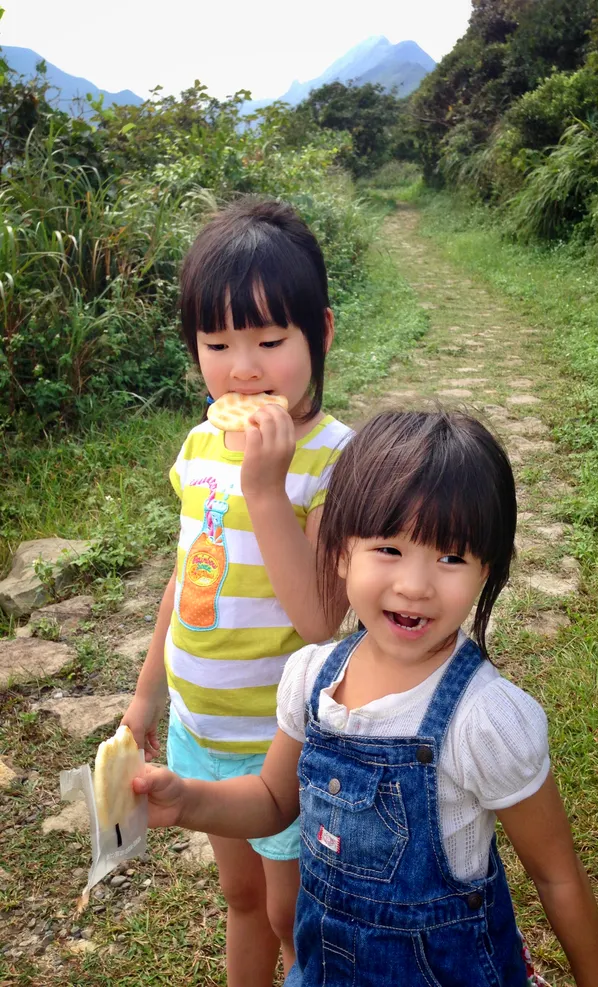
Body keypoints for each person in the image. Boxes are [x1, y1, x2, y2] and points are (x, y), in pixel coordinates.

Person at [134, 410, 598, 987]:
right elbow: (271, 801)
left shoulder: (485, 718)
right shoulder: (310, 678)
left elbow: (556, 875)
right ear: (339, 553)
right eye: (388, 548)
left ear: (487, 571)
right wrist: (186, 800)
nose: (415, 584)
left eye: (452, 557)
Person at [121, 198, 351, 986]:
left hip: (279, 741)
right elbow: (189, 575)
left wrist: (266, 488)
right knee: (240, 894)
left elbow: (323, 618)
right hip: (201, 725)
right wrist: (148, 696)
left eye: (269, 340)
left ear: (319, 333)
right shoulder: (198, 444)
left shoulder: (335, 462)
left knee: (291, 912)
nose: (243, 367)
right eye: (217, 343)